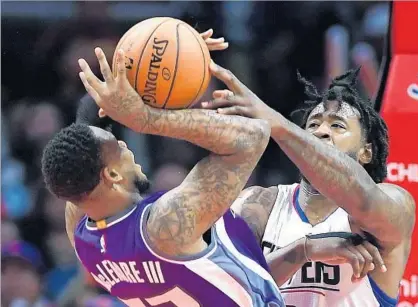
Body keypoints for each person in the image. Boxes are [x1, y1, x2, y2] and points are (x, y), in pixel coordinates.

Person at [41, 31, 285, 306]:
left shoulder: (82, 235)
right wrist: (147, 119)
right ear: (111, 174)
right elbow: (253, 136)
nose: (125, 143)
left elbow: (87, 129)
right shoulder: (165, 224)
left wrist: (167, 62)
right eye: (118, 146)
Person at [201, 68, 415, 306]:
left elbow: (363, 198)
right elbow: (222, 291)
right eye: (313, 125)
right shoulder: (258, 204)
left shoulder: (392, 202)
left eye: (337, 126)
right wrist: (303, 250)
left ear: (366, 151)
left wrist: (278, 124)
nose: (320, 132)